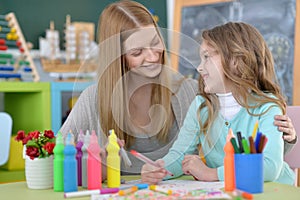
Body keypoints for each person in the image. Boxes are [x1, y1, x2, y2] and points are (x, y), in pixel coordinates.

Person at [60, 1, 296, 178]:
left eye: (155, 43)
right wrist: (94, 167)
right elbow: (55, 158)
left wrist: (287, 137)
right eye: (137, 52)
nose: (152, 56)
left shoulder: (193, 92)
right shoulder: (201, 105)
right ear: (118, 57)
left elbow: (268, 161)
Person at [141, 22, 295, 185]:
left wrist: (212, 173)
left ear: (236, 61)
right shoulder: (201, 106)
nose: (199, 68)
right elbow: (180, 155)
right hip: (227, 191)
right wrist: (158, 169)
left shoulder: (267, 108)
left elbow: (270, 167)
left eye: (207, 57)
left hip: (271, 191)